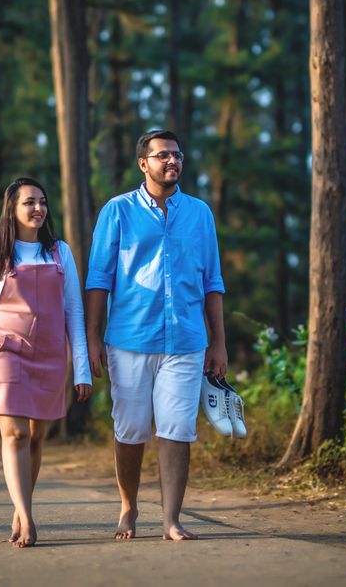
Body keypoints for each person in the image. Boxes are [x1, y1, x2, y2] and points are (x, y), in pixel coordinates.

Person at [85, 130, 227, 542]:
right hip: (129, 339)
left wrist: (218, 342)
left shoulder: (200, 214)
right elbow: (99, 280)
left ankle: (171, 519)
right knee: (130, 429)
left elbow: (212, 281)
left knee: (178, 428)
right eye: (162, 155)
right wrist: (93, 340)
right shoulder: (117, 211)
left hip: (186, 340)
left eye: (177, 154)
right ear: (142, 164)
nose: (172, 161)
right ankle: (129, 505)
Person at [0, 177, 92, 548]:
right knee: (13, 433)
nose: (38, 209)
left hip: (49, 354)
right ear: (12, 210)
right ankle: (28, 519)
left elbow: (74, 312)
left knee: (35, 436)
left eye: (43, 202)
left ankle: (20, 507)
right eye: (29, 202)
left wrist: (81, 368)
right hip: (3, 349)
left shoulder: (61, 252)